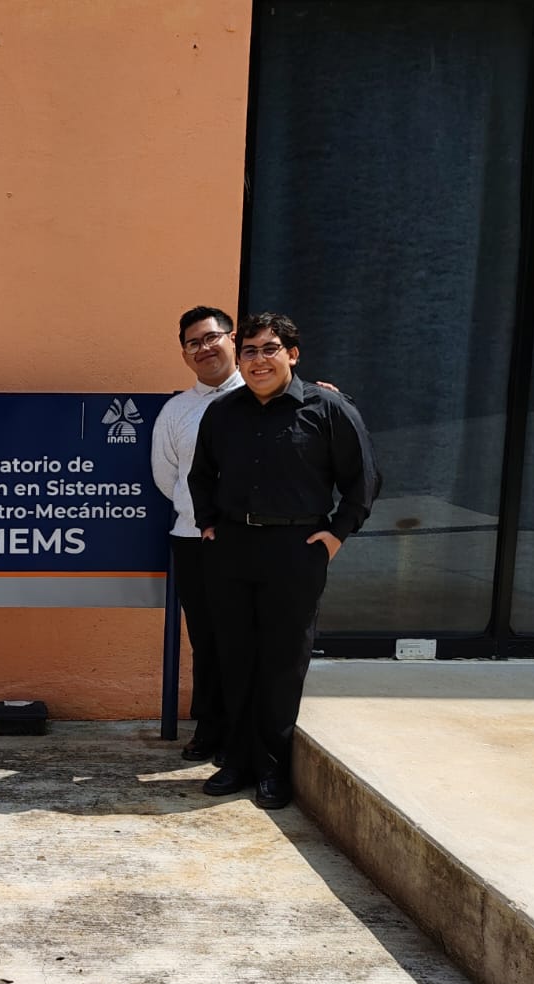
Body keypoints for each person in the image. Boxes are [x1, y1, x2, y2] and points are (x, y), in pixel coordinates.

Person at [189, 312, 379, 809]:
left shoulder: (329, 409)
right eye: (249, 350)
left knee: (281, 662)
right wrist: (208, 522)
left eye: (269, 349)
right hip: (230, 547)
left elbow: (364, 481)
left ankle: (272, 771)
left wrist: (336, 535)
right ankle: (236, 762)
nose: (258, 360)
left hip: (297, 551)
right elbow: (201, 475)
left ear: (291, 354)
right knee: (234, 656)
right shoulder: (223, 412)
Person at [150, 306, 243, 765]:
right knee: (206, 639)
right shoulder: (177, 411)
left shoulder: (267, 396)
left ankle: (246, 733)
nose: (205, 348)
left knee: (249, 637)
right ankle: (209, 728)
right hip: (192, 538)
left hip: (253, 541)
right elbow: (168, 479)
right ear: (184, 353)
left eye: (212, 337)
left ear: (232, 339)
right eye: (194, 342)